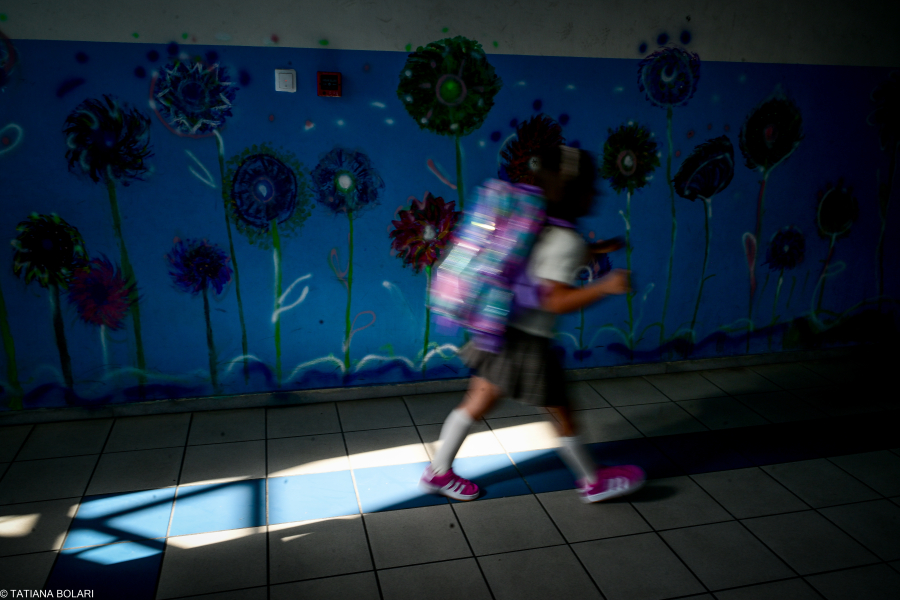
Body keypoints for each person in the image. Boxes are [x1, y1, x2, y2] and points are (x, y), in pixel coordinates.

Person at [419, 145, 645, 503]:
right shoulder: (567, 241)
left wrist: (596, 249)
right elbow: (552, 299)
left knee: (477, 403)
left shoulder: (535, 220)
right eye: (591, 188)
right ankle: (592, 481)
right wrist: (605, 286)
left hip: (499, 328)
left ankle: (438, 471)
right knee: (562, 411)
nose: (597, 194)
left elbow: (542, 262)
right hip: (528, 343)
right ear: (573, 194)